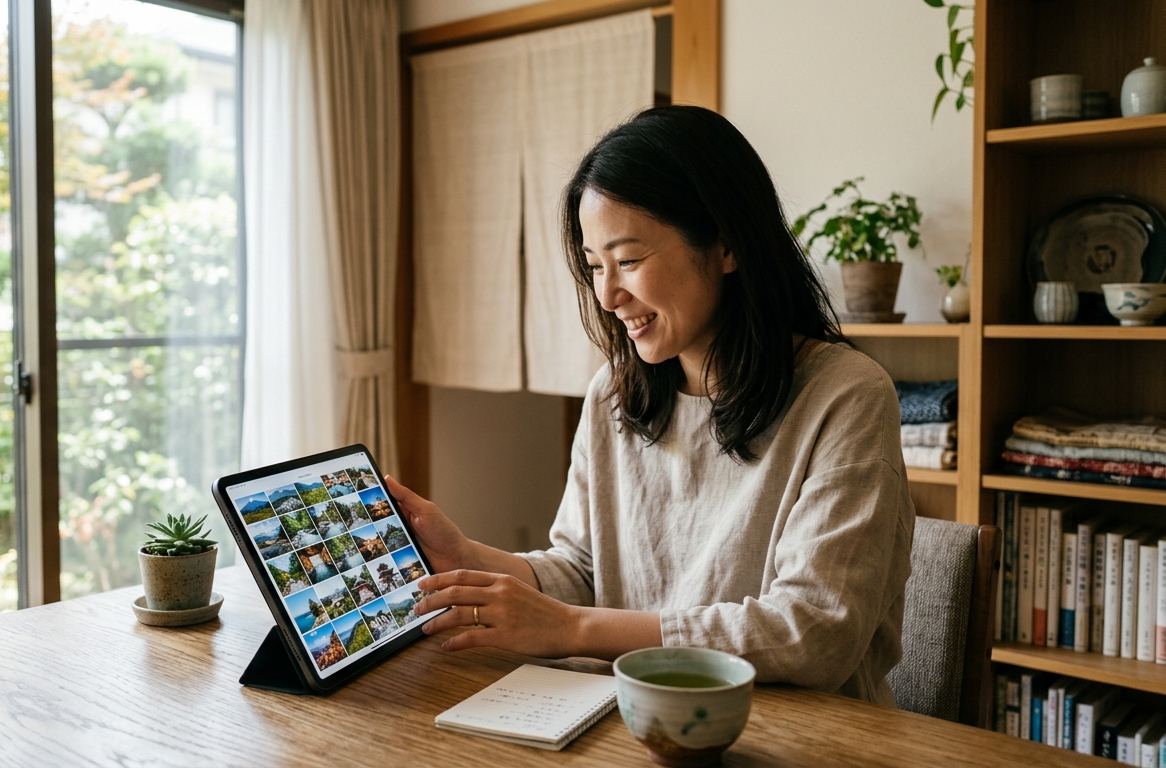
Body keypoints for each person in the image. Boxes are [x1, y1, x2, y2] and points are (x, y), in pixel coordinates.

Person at [385, 106, 914, 706]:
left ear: (726, 245)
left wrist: (573, 630)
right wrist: (468, 559)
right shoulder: (614, 392)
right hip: (631, 717)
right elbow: (584, 571)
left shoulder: (846, 395)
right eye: (594, 266)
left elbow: (813, 632)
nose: (608, 296)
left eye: (628, 261)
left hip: (795, 730)